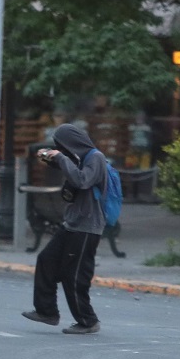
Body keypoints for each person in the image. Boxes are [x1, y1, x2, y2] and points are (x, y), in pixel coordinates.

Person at [22, 122, 108, 334]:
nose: (62, 149)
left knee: (75, 274)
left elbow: (82, 180)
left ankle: (88, 321)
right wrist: (50, 157)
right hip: (72, 224)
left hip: (87, 227)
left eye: (62, 145)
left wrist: (60, 158)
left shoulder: (96, 158)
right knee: (46, 260)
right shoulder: (78, 158)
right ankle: (47, 310)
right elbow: (70, 170)